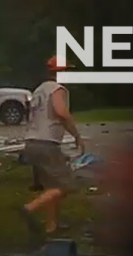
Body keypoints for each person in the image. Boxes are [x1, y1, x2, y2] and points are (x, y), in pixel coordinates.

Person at [19, 54, 86, 236]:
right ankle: (28, 209)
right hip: (47, 143)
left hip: (32, 142)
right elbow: (61, 113)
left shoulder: (40, 89)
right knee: (65, 186)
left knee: (51, 186)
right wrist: (77, 136)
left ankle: (51, 226)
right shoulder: (57, 89)